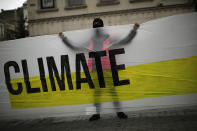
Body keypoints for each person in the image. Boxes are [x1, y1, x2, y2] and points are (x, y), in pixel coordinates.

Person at [59, 18, 139, 121]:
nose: (97, 28)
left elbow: (125, 41)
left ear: (102, 26)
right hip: (95, 69)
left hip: (106, 68)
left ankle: (118, 111)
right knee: (98, 91)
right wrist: (63, 38)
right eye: (95, 26)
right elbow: (75, 47)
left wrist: (134, 30)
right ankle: (98, 114)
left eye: (98, 26)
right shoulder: (91, 39)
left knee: (111, 90)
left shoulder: (108, 37)